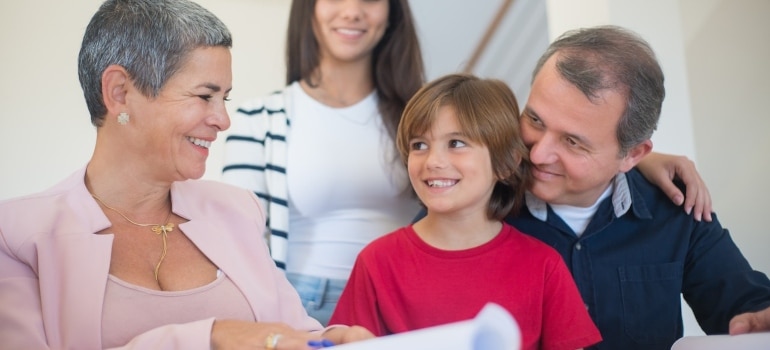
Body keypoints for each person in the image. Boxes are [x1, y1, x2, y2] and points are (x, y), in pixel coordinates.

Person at [0, 0, 373, 349]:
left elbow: (288, 331)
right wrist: (212, 335)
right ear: (119, 93)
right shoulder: (15, 235)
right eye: (203, 96)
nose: (223, 120)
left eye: (224, 98)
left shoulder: (237, 210)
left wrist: (330, 339)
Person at [507, 25, 770, 349]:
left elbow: (747, 306)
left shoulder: (676, 209)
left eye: (572, 142)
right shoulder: (479, 204)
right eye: (535, 121)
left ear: (632, 154)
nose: (538, 153)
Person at [330, 74, 603, 350]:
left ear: (506, 163)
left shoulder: (545, 266)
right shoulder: (376, 262)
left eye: (457, 143)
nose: (434, 161)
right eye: (419, 145)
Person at [221, 0, 424, 325]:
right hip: (303, 308)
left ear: (392, 12)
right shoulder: (259, 119)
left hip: (403, 300)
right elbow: (237, 240)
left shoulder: (422, 118)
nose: (352, 11)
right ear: (309, 9)